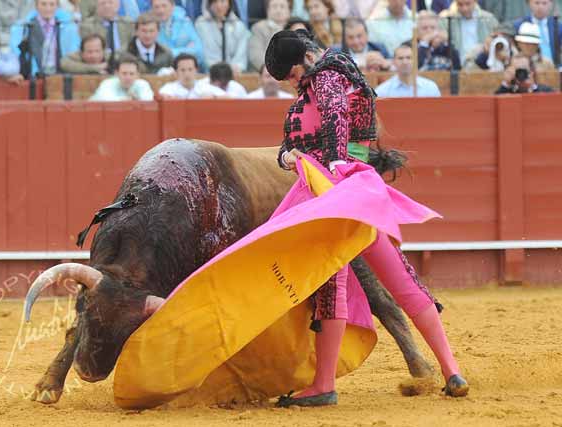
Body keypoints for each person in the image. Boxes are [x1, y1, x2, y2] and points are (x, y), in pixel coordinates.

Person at [263, 29, 468, 407]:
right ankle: (451, 369)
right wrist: (287, 158)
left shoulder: (325, 76)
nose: (293, 83)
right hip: (352, 190)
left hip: (334, 195)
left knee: (333, 287)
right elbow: (287, 147)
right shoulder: (334, 75)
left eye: (292, 75)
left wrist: (336, 164)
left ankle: (324, 385)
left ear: (306, 58)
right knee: (398, 277)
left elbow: (337, 117)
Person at [195, 0, 250, 72]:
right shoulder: (200, 24)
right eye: (215, 2)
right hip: (210, 72)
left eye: (222, 1)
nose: (219, 6)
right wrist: (217, 68)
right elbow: (203, 53)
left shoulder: (239, 25)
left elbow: (241, 53)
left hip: (234, 73)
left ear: (229, 3)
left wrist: (235, 67)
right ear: (208, 4)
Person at [376, 44, 441, 97]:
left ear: (415, 61)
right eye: (400, 58)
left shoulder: (430, 88)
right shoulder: (383, 91)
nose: (405, 62)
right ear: (393, 62)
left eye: (409, 58)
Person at [89, 57, 155, 100]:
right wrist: (131, 100)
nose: (128, 77)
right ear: (117, 73)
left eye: (131, 74)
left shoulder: (142, 84)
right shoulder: (107, 84)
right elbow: (106, 101)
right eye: (124, 73)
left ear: (137, 75)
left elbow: (149, 100)